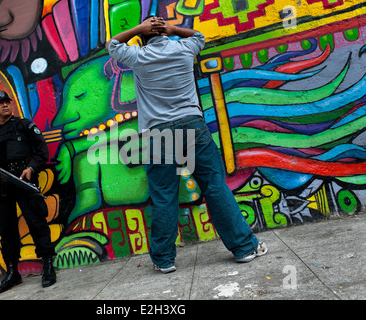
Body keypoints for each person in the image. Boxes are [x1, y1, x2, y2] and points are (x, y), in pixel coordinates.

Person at [106, 17, 267, 273]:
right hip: (192, 125)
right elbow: (199, 36)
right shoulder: (183, 49)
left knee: (163, 195)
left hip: (156, 133)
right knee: (214, 186)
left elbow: (112, 45)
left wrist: (138, 30)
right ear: (166, 34)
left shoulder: (138, 56)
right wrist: (172, 29)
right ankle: (244, 248)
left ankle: (164, 260)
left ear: (144, 36)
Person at [0, 90, 56, 293]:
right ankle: (12, 272)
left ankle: (47, 265)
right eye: (0, 103)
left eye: (7, 102)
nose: (5, 105)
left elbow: (42, 151)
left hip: (22, 180)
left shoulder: (24, 126)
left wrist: (31, 168)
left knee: (36, 223)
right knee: (6, 230)